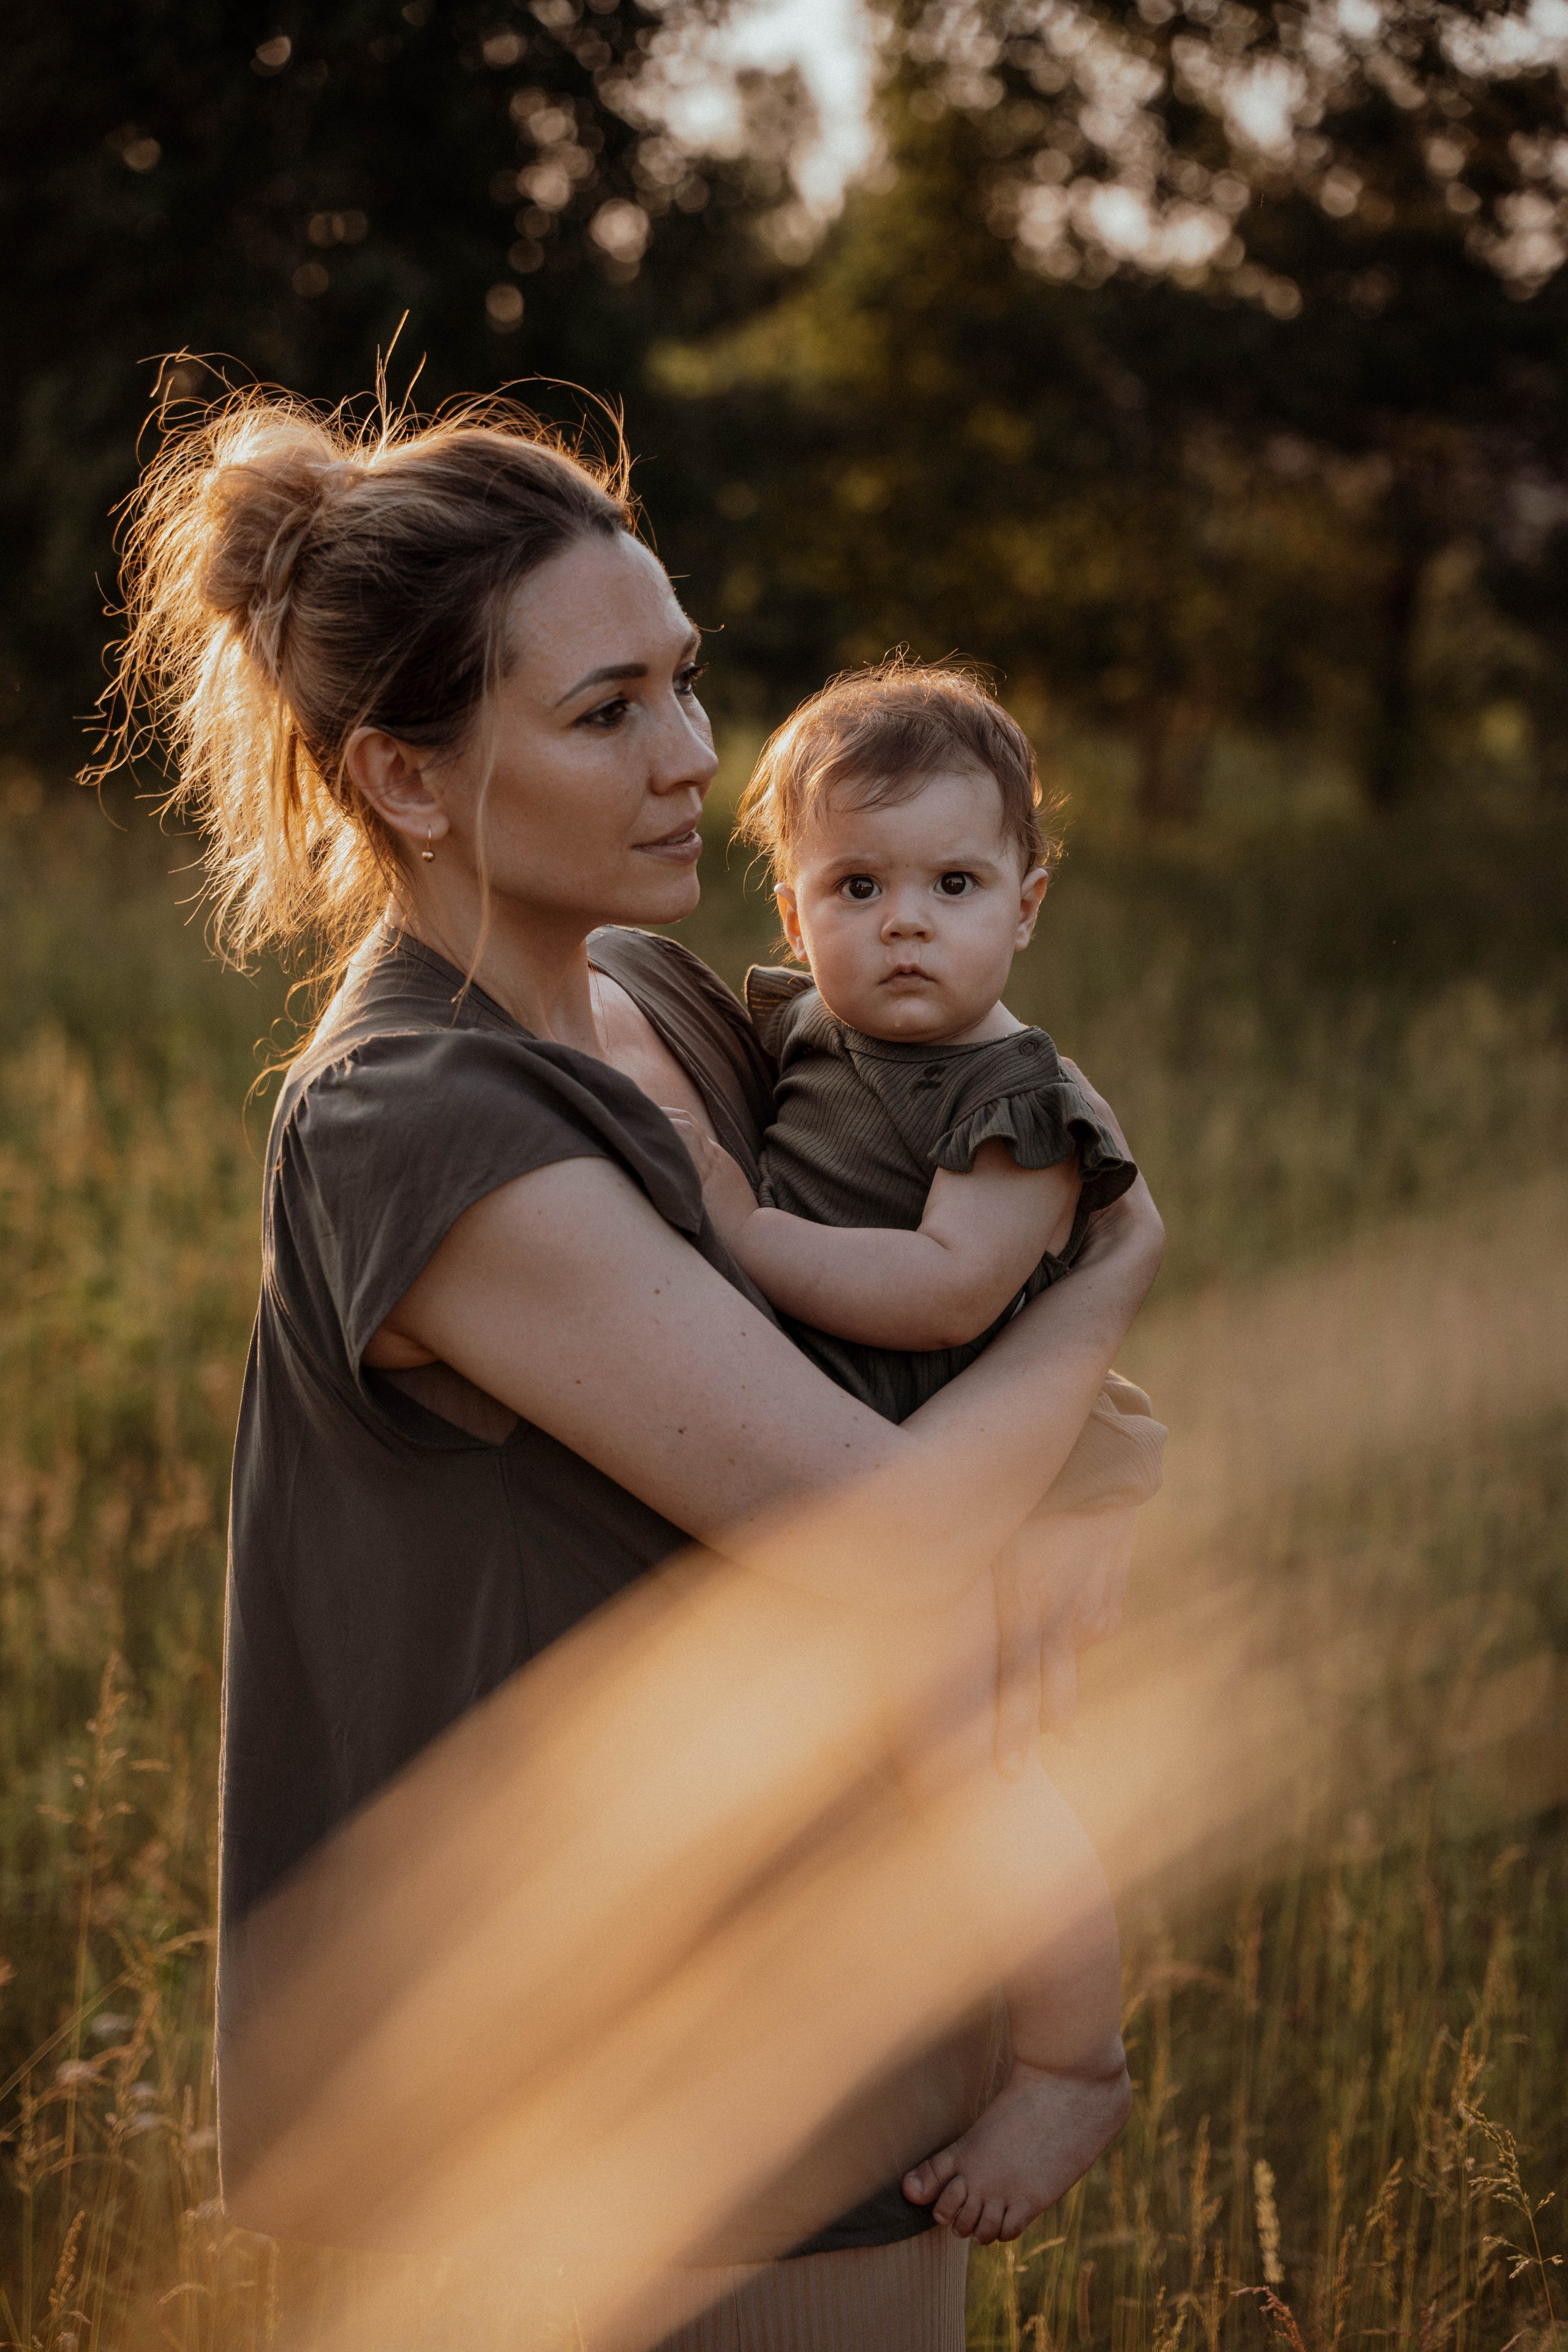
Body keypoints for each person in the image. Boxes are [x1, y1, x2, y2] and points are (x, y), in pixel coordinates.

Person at [89, 390, 1164, 2351]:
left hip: (856, 2039)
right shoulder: (419, 1118)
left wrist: (1104, 1471)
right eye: (606, 712)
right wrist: (1118, 1276)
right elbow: (891, 1531)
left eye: (684, 679)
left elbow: (917, 1287)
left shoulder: (649, 991)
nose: (693, 757)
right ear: (405, 778)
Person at [668, 660, 1165, 2244]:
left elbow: (952, 1291)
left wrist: (742, 1233)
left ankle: (1074, 2061)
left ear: (1025, 905)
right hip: (870, 1443)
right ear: (793, 902)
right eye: (857, 886)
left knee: (975, 1760)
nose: (904, 926)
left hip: (977, 1461)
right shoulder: (806, 1025)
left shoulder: (1016, 1100)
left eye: (954, 887)